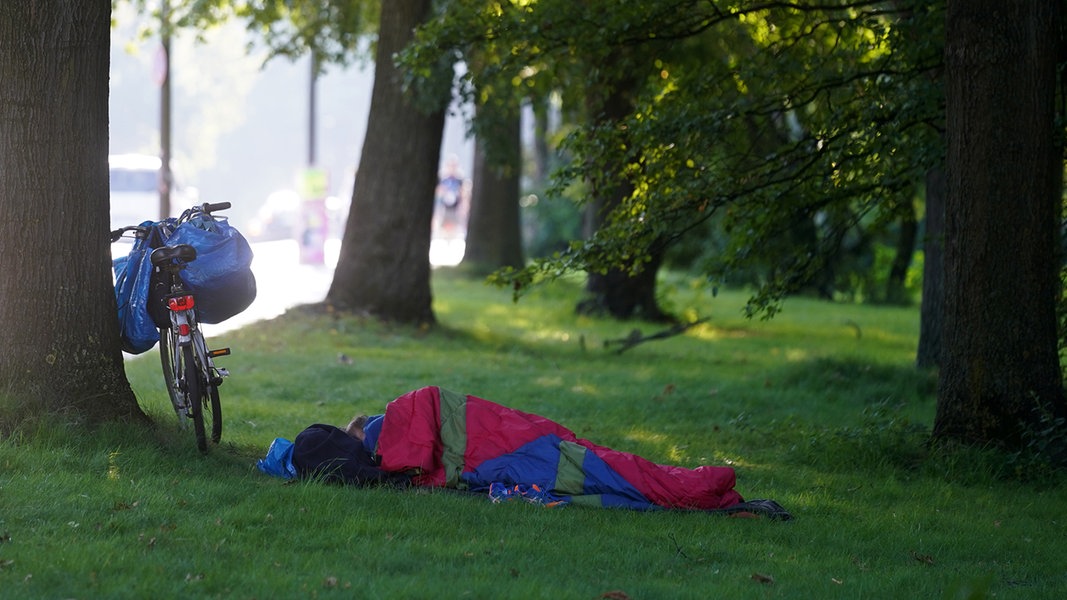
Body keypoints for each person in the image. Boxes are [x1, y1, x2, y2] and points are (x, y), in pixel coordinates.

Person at [259, 386, 791, 520]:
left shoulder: (398, 419)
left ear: (360, 435)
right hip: (525, 439)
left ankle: (707, 491)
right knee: (616, 474)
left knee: (610, 478)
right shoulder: (409, 411)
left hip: (516, 446)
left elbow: (417, 451)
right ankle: (713, 494)